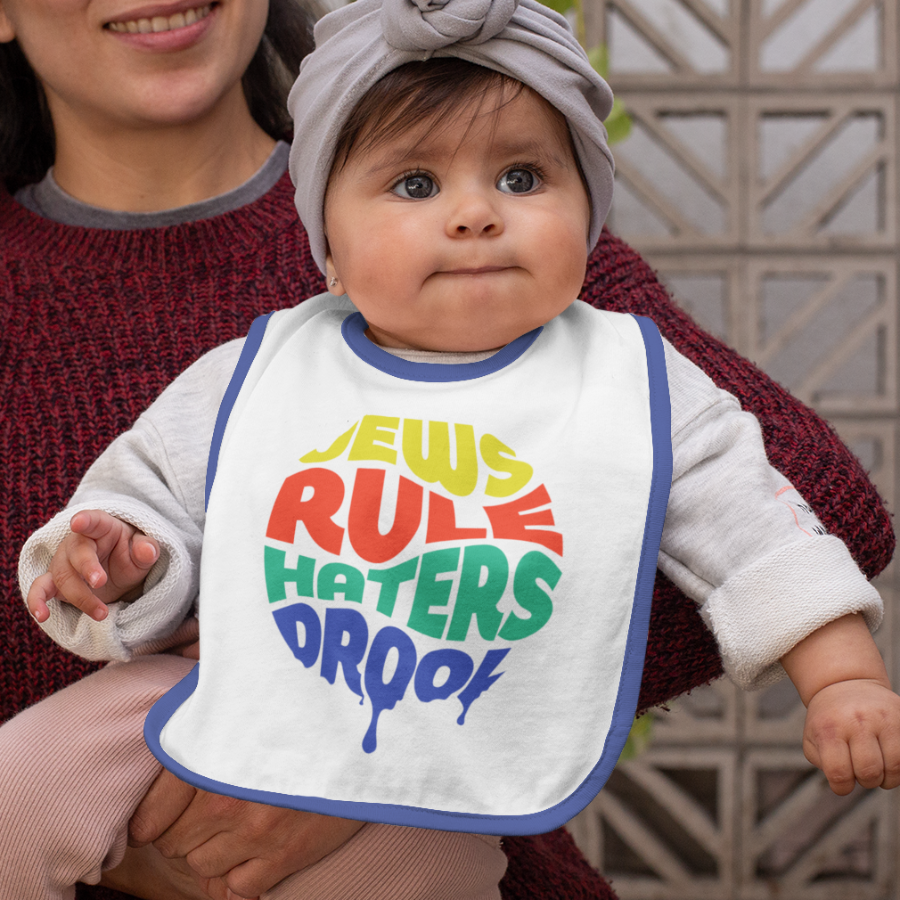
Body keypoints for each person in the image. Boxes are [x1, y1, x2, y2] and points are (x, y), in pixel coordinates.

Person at [0, 0, 894, 898]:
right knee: (20, 784)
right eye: (418, 187)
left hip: (431, 775)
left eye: (521, 177)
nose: (474, 213)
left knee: (428, 870)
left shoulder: (621, 372)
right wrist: (121, 561)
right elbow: (152, 494)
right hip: (219, 691)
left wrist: (843, 677)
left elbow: (760, 525)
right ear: (327, 252)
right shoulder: (266, 366)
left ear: (587, 213)